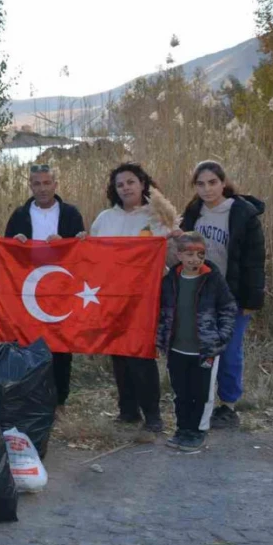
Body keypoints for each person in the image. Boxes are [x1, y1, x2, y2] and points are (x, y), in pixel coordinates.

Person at [90, 161, 175, 437]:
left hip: (145, 298)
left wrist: (175, 238)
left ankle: (152, 415)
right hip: (113, 296)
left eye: (130, 182)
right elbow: (91, 255)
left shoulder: (157, 216)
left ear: (142, 184)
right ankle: (127, 410)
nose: (126, 187)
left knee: (140, 354)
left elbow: (172, 257)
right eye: (120, 184)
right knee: (119, 354)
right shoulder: (105, 218)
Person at [179, 160, 265, 429]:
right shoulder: (194, 212)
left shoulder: (242, 213)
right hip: (201, 294)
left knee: (229, 351)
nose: (207, 189)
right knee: (201, 351)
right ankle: (201, 400)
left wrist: (251, 301)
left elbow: (254, 260)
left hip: (232, 296)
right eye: (200, 184)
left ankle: (228, 406)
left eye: (212, 182)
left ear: (223, 182)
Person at [3, 163, 86, 409]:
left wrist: (67, 243)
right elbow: (7, 255)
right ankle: (32, 397)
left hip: (61, 288)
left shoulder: (70, 214)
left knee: (60, 345)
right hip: (29, 289)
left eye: (46, 183)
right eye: (36, 184)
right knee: (29, 343)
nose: (42, 188)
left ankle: (60, 399)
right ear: (30, 185)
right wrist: (16, 243)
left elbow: (82, 252)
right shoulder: (19, 215)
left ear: (55, 185)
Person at [156, 233, 237, 451]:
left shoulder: (213, 280)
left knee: (201, 392)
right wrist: (161, 337)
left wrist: (221, 336)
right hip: (176, 349)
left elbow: (228, 308)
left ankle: (198, 431)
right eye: (189, 254)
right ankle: (183, 428)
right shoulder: (169, 281)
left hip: (204, 349)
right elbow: (161, 311)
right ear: (179, 254)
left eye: (200, 254)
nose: (194, 259)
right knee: (181, 392)